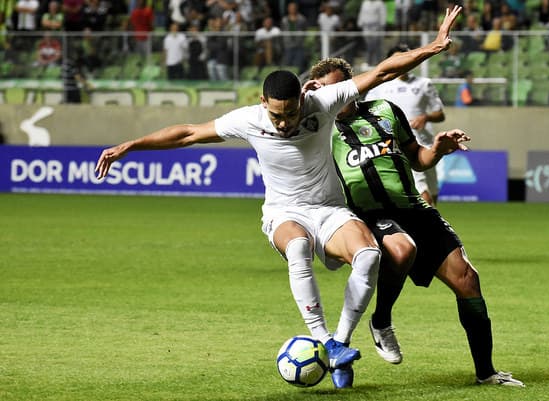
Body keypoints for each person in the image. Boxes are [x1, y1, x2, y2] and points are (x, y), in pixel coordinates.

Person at [94, 4, 463, 389]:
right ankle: (323, 340)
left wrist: (433, 47)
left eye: (290, 114)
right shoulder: (249, 119)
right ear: (263, 103)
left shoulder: (323, 102)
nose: (285, 123)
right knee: (299, 247)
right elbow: (187, 133)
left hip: (330, 209)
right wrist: (131, 145)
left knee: (369, 255)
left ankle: (339, 342)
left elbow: (383, 70)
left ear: (302, 100)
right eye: (277, 116)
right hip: (284, 212)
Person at [307, 56, 525, 389]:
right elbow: (279, 122)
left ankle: (487, 373)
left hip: (414, 208)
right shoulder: (317, 129)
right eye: (325, 89)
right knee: (400, 248)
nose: (333, 94)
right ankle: (381, 321)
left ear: (354, 86)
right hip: (369, 215)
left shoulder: (385, 111)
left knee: (468, 280)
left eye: (339, 86)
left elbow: (418, 159)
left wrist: (437, 149)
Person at [365, 43, 446, 207]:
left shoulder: (424, 84)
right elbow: (366, 115)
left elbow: (440, 114)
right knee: (423, 195)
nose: (403, 62)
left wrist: (425, 117)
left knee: (433, 194)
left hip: (426, 143)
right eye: (398, 59)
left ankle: (431, 229)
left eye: (406, 58)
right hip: (401, 146)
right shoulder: (379, 86)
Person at [357, 0, 386, 67]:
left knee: (376, 46)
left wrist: (382, 25)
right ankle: (368, 62)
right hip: (366, 27)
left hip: (376, 28)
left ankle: (378, 62)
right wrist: (360, 23)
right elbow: (362, 13)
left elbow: (383, 14)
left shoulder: (379, 3)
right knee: (368, 46)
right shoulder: (365, 2)